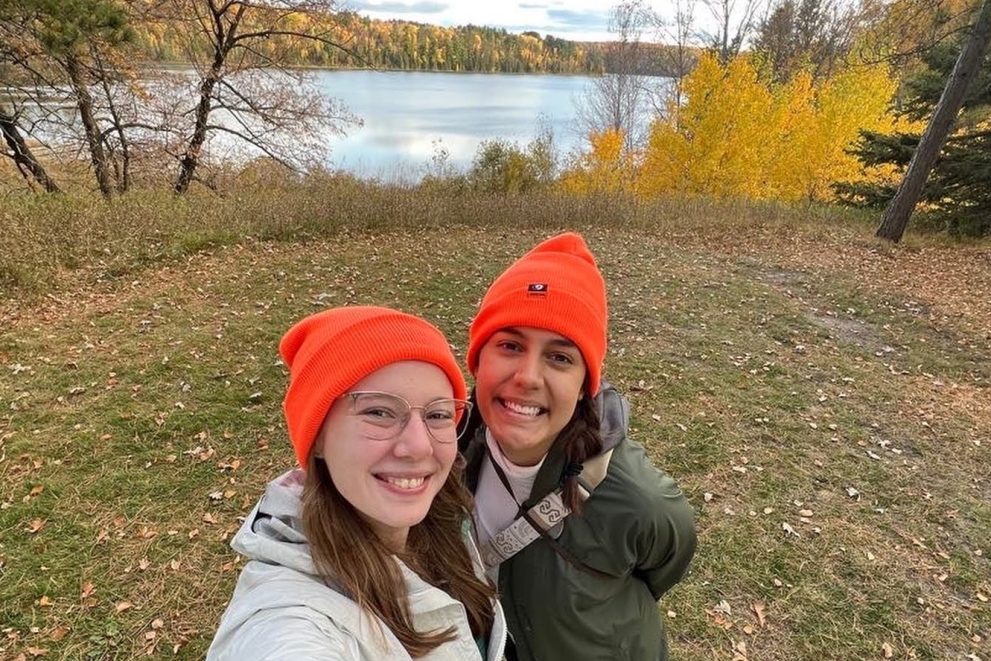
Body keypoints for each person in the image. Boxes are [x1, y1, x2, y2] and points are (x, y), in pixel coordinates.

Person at [208, 306, 507, 660]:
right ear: (318, 437)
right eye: (378, 412)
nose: (419, 446)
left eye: (438, 414)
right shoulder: (289, 620)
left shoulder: (444, 520)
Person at [459, 233, 697, 661]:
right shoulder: (444, 451)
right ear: (477, 359)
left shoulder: (638, 500)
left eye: (559, 357)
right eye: (510, 346)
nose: (528, 377)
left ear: (584, 385)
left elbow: (666, 562)